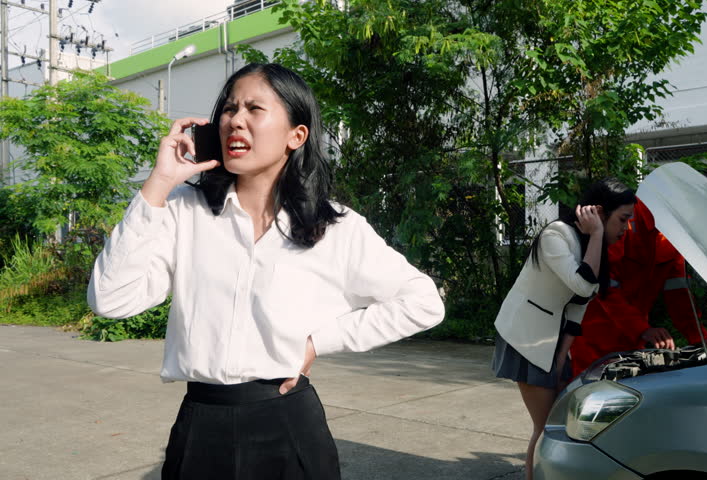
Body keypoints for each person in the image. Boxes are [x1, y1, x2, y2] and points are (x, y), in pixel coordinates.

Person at [87, 63, 444, 479]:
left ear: (297, 135)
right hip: (201, 427)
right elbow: (110, 299)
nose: (235, 120)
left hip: (289, 426)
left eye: (255, 109)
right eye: (229, 109)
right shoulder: (185, 210)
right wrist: (159, 183)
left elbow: (422, 303)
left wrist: (318, 342)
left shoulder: (334, 227)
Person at [491, 179, 636, 480]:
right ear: (599, 212)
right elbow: (582, 285)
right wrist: (597, 233)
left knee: (559, 425)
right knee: (546, 428)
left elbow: (580, 304)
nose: (627, 227)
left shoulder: (593, 247)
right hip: (527, 337)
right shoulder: (556, 235)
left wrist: (562, 357)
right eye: (623, 219)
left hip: (553, 340)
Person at [570, 199, 707, 378]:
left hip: (634, 337)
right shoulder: (624, 218)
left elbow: (679, 293)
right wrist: (641, 328)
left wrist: (700, 339)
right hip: (594, 335)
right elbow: (604, 285)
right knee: (588, 389)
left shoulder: (672, 233)